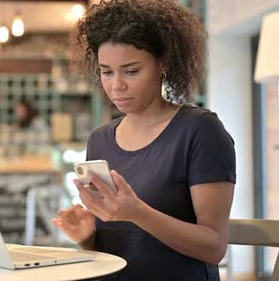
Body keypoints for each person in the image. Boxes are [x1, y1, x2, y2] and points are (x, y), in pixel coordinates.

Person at [51, 1, 236, 281]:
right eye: (107, 71)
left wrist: (138, 213)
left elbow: (213, 247)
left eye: (131, 71)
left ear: (163, 63)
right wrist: (87, 238)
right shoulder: (99, 139)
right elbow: (115, 251)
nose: (116, 85)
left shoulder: (199, 131)